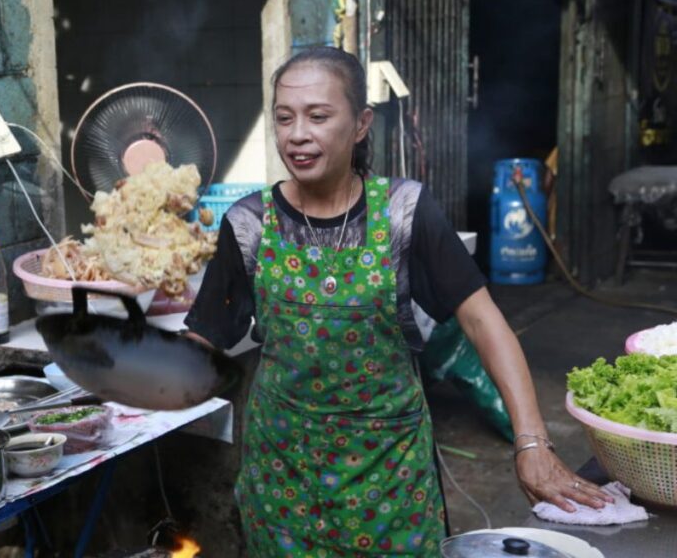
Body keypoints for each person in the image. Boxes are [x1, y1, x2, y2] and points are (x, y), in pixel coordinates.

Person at [184, 46, 612, 556]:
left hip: (388, 485)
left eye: (318, 116)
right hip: (282, 483)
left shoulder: (404, 213)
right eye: (284, 117)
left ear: (361, 123)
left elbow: (482, 322)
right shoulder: (248, 224)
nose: (297, 133)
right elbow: (204, 337)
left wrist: (532, 443)